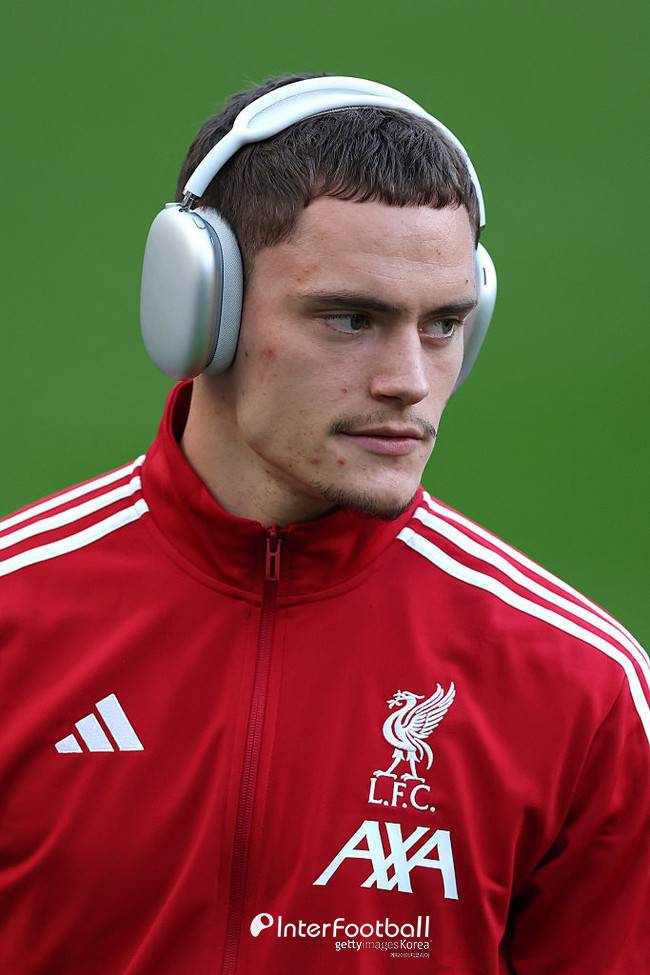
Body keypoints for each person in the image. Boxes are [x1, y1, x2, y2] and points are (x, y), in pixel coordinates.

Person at [0, 73, 647, 975]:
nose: (409, 381)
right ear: (200, 311)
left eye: (444, 324)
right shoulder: (16, 620)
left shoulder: (582, 687)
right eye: (351, 318)